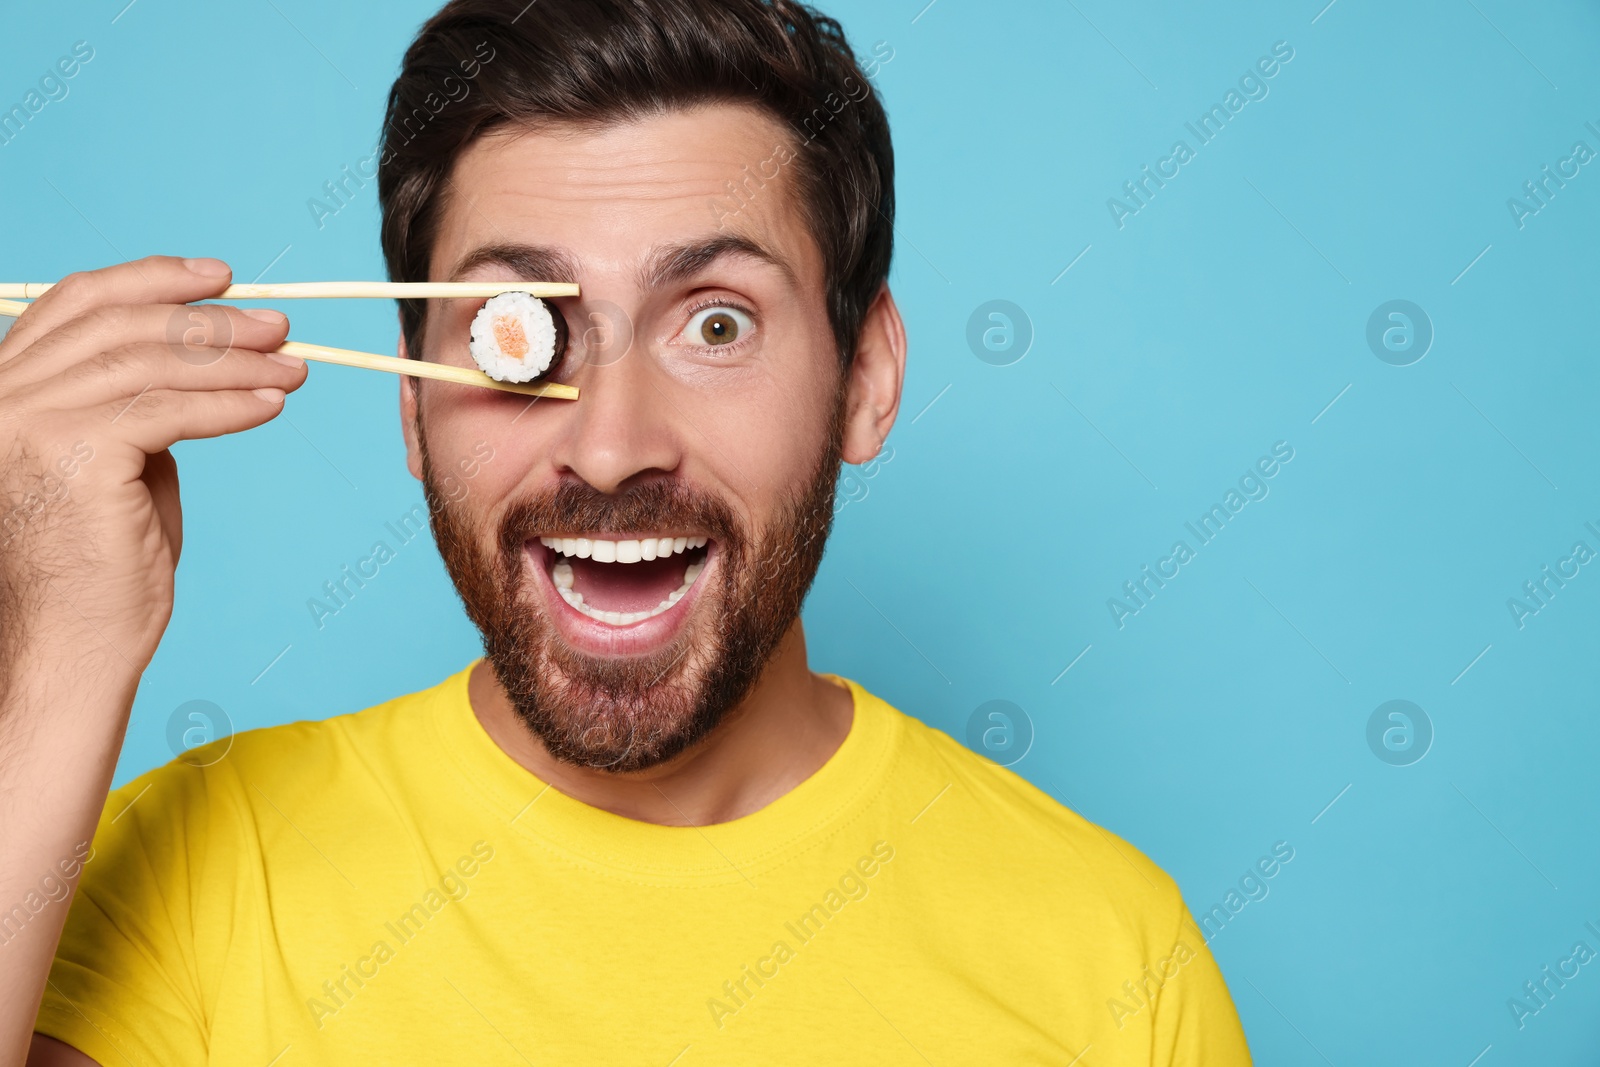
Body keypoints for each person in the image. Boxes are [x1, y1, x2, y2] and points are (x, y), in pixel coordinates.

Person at [2, 1, 1252, 1063]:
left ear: (866, 376)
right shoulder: (183, 881)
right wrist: (58, 661)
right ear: (410, 402)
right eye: (515, 330)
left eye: (716, 323)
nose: (608, 446)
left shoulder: (1113, 959)